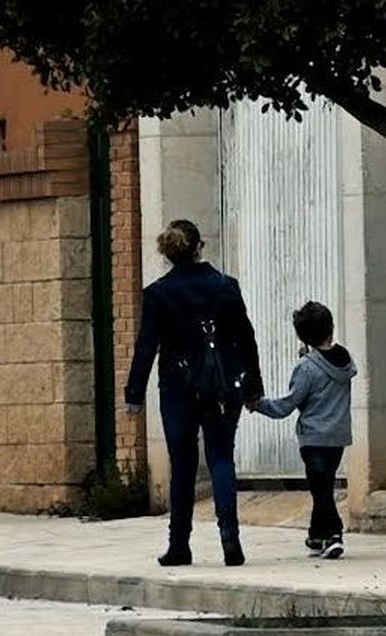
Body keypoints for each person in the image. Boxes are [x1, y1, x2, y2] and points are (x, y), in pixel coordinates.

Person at [124, 220, 263, 567]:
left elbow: (146, 347)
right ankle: (230, 537)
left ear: (169, 253)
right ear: (200, 247)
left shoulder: (158, 293)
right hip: (222, 385)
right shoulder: (225, 286)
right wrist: (252, 387)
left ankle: (179, 544)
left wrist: (134, 394)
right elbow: (246, 339)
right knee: (221, 458)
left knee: (183, 465)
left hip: (177, 388)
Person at [250, 301, 357, 560]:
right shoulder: (345, 359)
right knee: (323, 486)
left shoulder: (306, 367)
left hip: (313, 438)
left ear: (303, 336)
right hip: (338, 436)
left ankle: (334, 535)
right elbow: (326, 370)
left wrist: (257, 404)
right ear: (330, 327)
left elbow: (287, 405)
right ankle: (316, 535)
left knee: (321, 490)